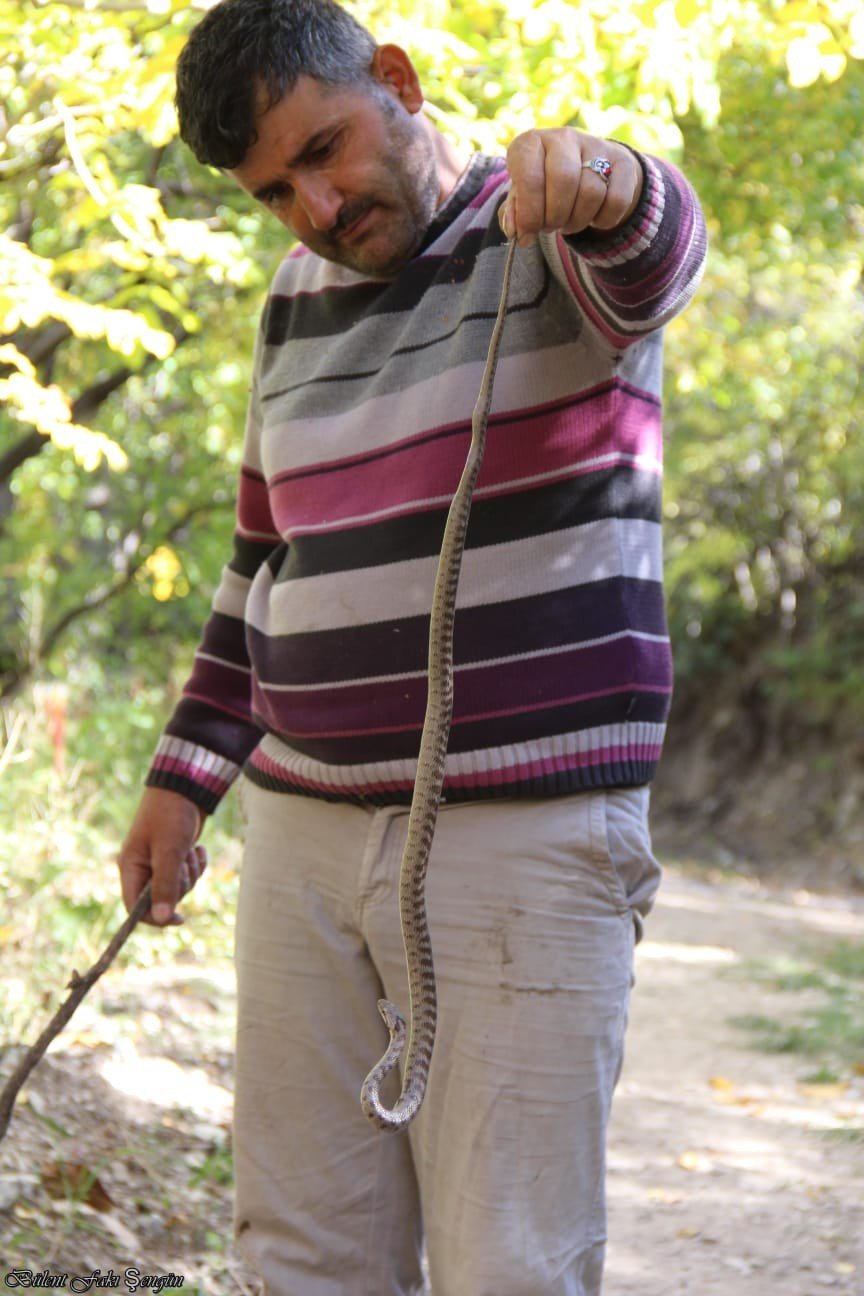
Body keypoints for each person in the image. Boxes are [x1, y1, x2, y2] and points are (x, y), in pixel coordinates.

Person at [118, 1, 707, 1291]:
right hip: (304, 837)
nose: (315, 209)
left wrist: (614, 184)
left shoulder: (551, 233)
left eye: (324, 151)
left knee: (511, 1261)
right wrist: (182, 777)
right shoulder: (290, 304)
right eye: (275, 190)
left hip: (523, 838)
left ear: (396, 79)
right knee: (300, 1251)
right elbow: (265, 561)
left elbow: (656, 254)